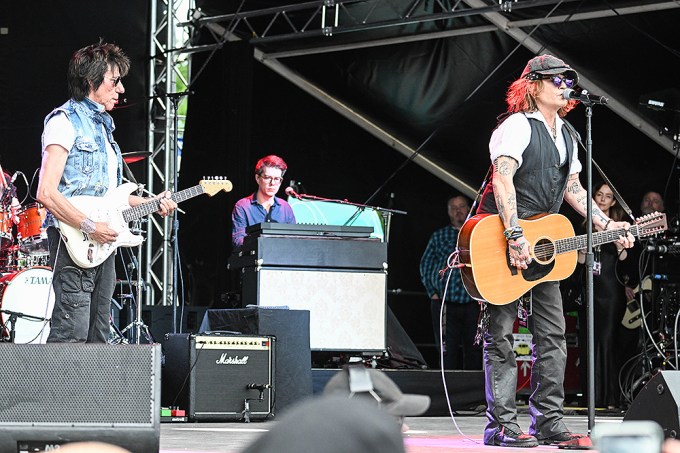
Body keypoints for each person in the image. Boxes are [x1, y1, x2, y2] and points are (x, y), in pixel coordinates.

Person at [475, 54, 634, 447]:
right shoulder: (516, 126)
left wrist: (607, 225)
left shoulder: (568, 134)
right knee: (501, 335)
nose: (565, 86)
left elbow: (574, 190)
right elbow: (503, 180)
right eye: (557, 79)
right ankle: (502, 427)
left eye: (568, 81)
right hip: (504, 236)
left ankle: (549, 422)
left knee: (553, 336)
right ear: (533, 85)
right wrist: (514, 235)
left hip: (544, 238)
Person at [37, 41, 177, 343]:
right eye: (115, 81)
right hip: (73, 237)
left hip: (102, 244)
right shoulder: (64, 122)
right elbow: (46, 192)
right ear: (91, 81)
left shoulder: (104, 130)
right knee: (70, 330)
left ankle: (91, 392)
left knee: (99, 332)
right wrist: (90, 226)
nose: (121, 89)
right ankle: (55, 391)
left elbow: (112, 199)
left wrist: (153, 202)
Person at [576, 183, 630, 409]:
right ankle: (591, 398)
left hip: (610, 292)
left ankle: (610, 398)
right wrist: (582, 246)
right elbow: (579, 263)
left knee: (607, 342)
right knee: (588, 343)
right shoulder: (584, 225)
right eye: (599, 195)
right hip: (589, 291)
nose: (602, 200)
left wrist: (617, 241)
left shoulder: (615, 226)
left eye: (608, 197)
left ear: (613, 201)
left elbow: (625, 258)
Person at [419, 195, 482, 370]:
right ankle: (448, 391)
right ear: (448, 212)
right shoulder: (439, 236)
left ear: (469, 208)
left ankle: (472, 391)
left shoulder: (477, 234)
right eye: (453, 208)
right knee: (447, 350)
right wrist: (432, 292)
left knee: (475, 349)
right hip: (445, 303)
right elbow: (425, 264)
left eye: (462, 206)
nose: (458, 211)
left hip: (473, 302)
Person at [231, 155, 296, 247]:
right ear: (257, 178)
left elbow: (293, 239)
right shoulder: (242, 206)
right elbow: (238, 241)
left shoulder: (285, 207)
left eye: (277, 179)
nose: (272, 183)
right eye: (267, 178)